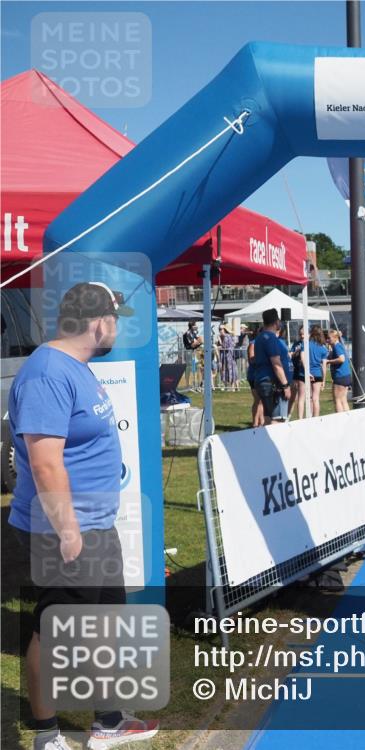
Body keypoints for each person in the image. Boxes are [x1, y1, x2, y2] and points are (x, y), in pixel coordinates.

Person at [7, 283, 158, 750]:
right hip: (61, 528)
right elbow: (45, 462)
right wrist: (69, 529)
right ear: (97, 322)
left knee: (104, 623)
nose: (117, 327)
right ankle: (46, 735)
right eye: (115, 318)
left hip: (95, 524)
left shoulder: (78, 367)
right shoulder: (48, 373)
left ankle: (108, 720)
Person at [252, 309, 292, 425]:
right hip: (273, 383)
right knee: (277, 419)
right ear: (276, 322)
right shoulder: (270, 338)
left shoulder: (260, 337)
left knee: (268, 416)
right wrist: (285, 385)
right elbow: (276, 363)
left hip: (264, 381)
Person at [327, 330, 352, 412]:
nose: (327, 340)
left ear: (335, 338)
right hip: (346, 376)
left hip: (340, 376)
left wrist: (328, 362)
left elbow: (342, 359)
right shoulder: (339, 346)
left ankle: (340, 420)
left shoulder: (337, 346)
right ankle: (347, 420)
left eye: (329, 338)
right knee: (343, 400)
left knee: (337, 400)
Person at [246, 327, 264, 428]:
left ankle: (261, 422)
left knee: (261, 400)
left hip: (260, 374)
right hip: (254, 375)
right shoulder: (253, 343)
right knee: (257, 399)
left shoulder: (262, 344)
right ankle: (255, 423)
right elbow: (252, 359)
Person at [182, 320, 202, 391]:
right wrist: (198, 341)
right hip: (189, 352)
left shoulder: (193, 332)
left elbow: (199, 340)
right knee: (189, 368)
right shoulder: (188, 333)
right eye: (195, 325)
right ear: (192, 326)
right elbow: (192, 344)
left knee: (197, 368)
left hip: (194, 352)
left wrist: (198, 341)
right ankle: (187, 385)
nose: (196, 326)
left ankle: (196, 385)